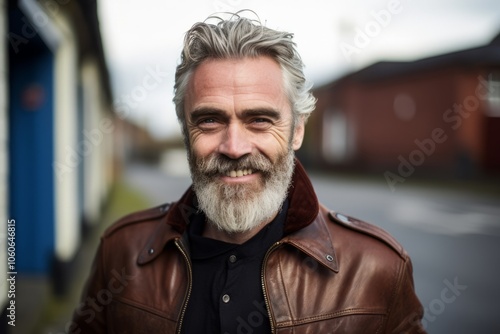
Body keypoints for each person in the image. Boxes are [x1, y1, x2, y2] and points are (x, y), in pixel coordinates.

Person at [71, 12, 425, 333]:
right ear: (185, 132)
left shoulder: (377, 270)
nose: (234, 147)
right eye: (210, 120)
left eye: (259, 120)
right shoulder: (120, 253)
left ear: (297, 130)